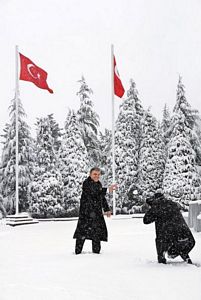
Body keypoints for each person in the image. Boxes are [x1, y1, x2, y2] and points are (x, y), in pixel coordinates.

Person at [73, 167, 116, 254]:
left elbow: (101, 197)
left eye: (98, 174)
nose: (97, 176)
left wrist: (106, 209)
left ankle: (96, 253)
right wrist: (107, 190)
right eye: (95, 174)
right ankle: (77, 253)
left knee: (97, 233)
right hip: (86, 213)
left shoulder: (99, 184)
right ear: (90, 174)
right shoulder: (86, 183)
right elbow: (94, 191)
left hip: (96, 213)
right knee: (82, 234)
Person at [143, 192, 195, 264]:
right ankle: (184, 256)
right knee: (179, 245)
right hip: (183, 234)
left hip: (166, 236)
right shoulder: (173, 204)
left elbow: (146, 220)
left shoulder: (156, 207)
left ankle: (162, 259)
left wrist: (152, 207)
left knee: (160, 241)